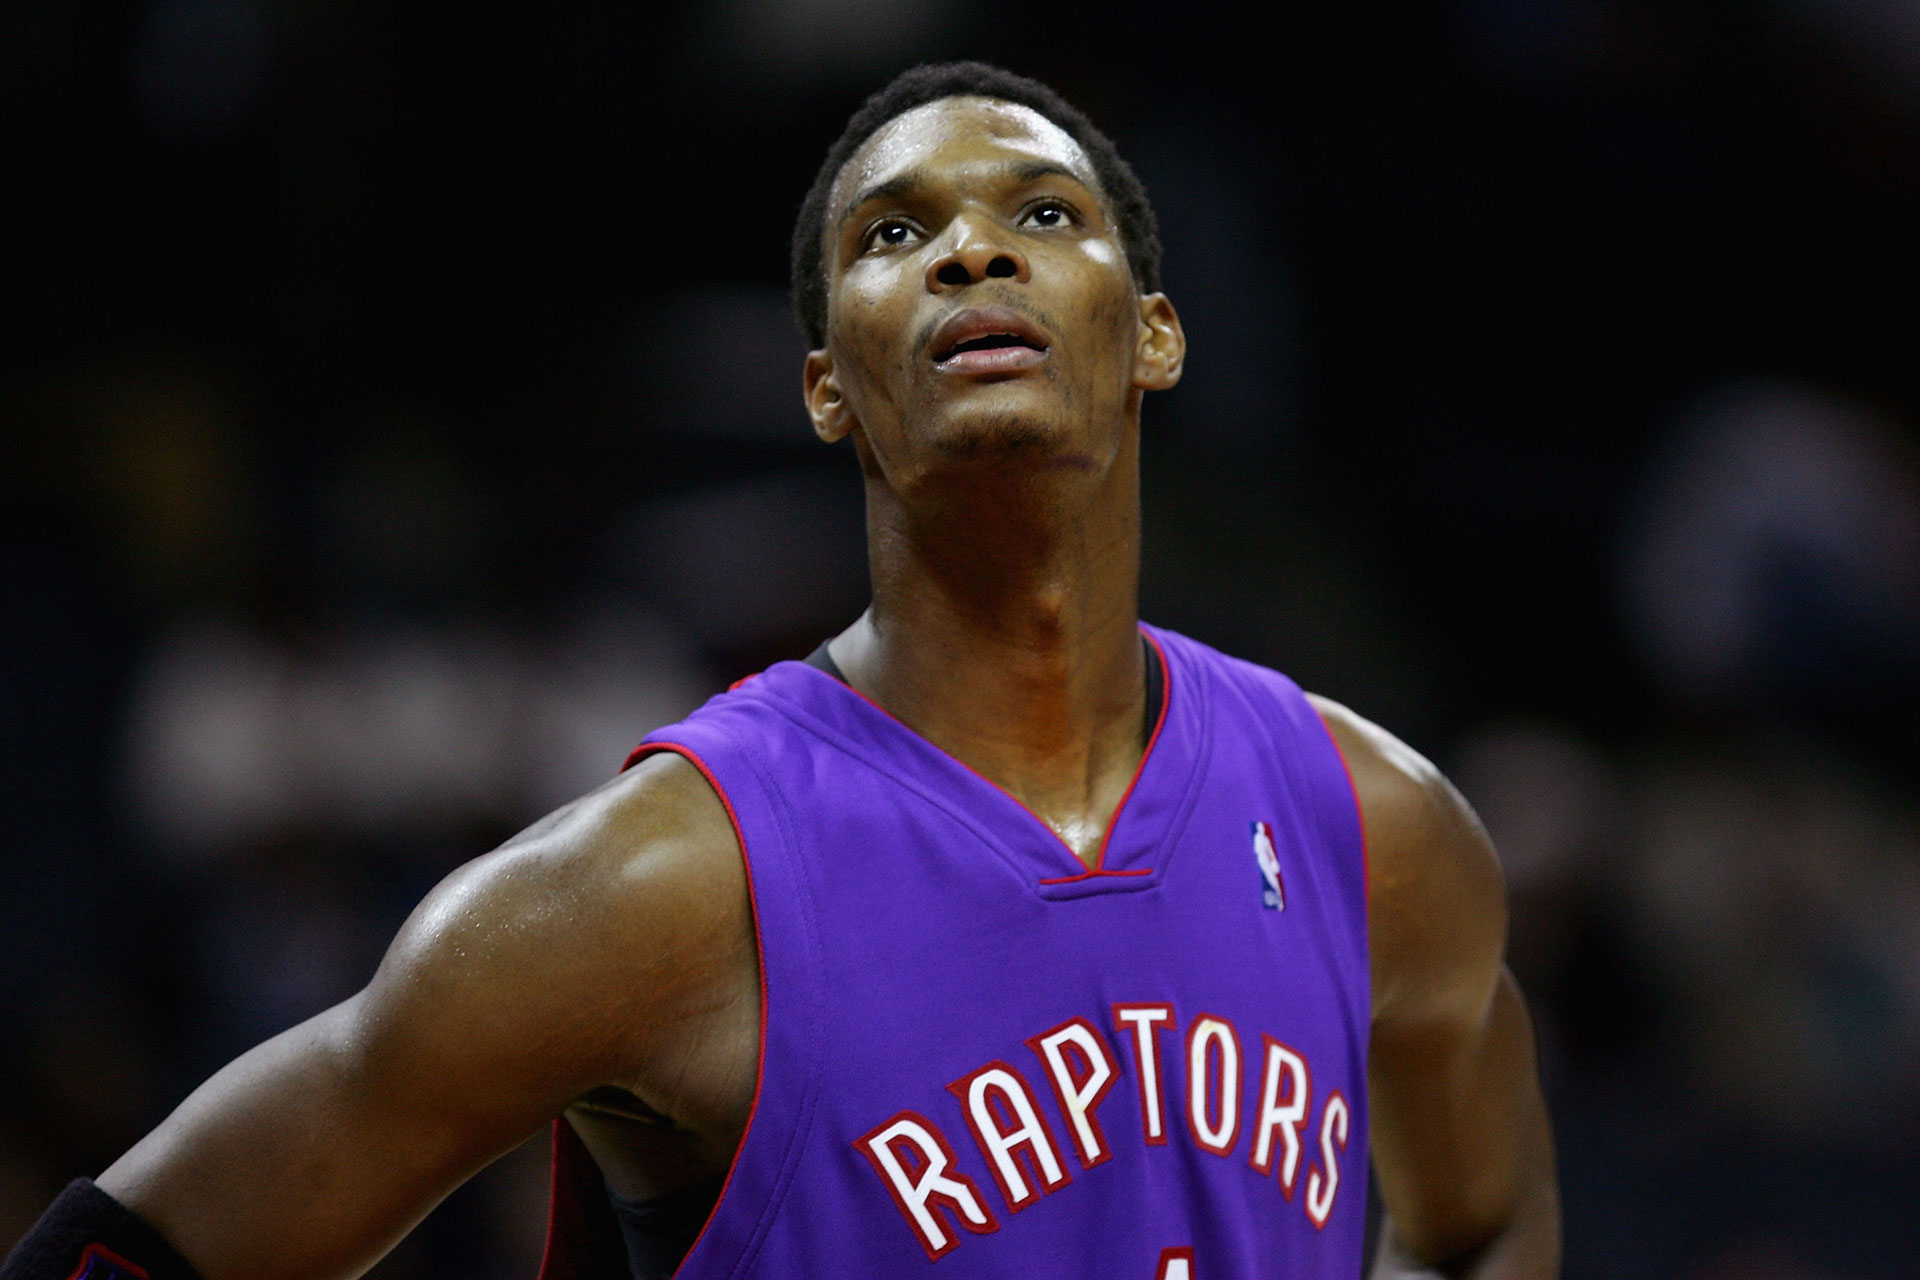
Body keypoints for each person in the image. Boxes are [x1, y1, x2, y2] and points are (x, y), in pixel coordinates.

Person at [3, 62, 1559, 1280]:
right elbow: (144, 1250)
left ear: (1151, 335)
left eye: (1043, 215)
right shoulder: (657, 890)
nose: (971, 251)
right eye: (897, 235)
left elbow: (1480, 1226)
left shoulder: (1374, 821)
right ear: (828, 386)